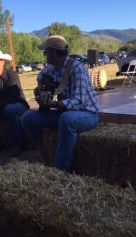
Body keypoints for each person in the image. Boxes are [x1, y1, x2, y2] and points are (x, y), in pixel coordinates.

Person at [21, 35, 100, 172]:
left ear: (54, 53)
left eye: (46, 52)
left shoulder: (77, 69)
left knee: (67, 119)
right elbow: (42, 73)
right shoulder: (53, 67)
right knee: (27, 118)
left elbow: (79, 102)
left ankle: (60, 171)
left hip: (87, 113)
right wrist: (40, 86)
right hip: (64, 112)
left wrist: (53, 104)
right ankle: (48, 151)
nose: (44, 55)